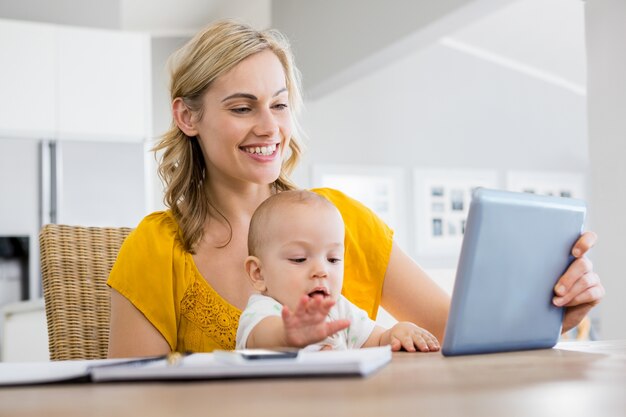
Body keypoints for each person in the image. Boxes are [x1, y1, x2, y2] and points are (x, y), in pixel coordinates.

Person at [107, 19, 604, 358]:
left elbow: (456, 333)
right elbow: (132, 399)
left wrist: (555, 312)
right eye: (242, 108)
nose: (269, 127)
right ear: (187, 116)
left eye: (279, 105)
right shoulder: (155, 249)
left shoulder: (339, 219)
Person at [237, 190, 440, 352]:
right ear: (258, 273)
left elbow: (375, 341)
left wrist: (395, 334)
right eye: (299, 259)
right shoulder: (263, 311)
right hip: (282, 404)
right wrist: (288, 334)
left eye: (333, 259)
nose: (321, 270)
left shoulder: (339, 309)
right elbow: (260, 338)